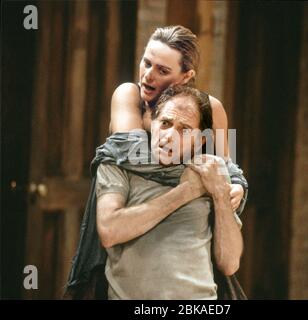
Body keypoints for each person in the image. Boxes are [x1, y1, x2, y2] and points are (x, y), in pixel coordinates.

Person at [96, 85, 243, 299]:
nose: (169, 136)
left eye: (184, 129)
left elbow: (229, 263)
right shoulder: (118, 164)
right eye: (165, 123)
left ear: (201, 140)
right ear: (151, 123)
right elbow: (109, 231)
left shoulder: (210, 171)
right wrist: (187, 191)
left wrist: (220, 193)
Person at [109, 25, 248, 212]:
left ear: (186, 76)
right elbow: (135, 159)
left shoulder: (212, 108)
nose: (148, 75)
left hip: (187, 223)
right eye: (147, 63)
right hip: (129, 212)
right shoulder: (128, 95)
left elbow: (227, 167)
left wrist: (237, 187)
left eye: (162, 71)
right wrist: (201, 181)